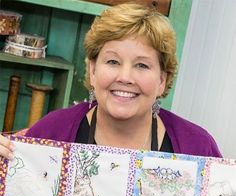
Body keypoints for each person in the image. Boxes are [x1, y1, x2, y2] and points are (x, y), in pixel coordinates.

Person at [0, 2, 221, 160]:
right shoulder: (51, 132)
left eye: (142, 65)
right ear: (93, 70)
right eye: (113, 62)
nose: (125, 77)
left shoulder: (198, 147)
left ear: (162, 80)